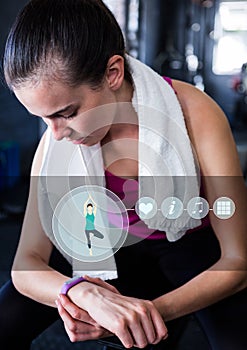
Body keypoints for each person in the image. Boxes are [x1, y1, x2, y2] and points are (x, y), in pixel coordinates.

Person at [0, 0, 247, 349]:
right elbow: (26, 264)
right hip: (104, 240)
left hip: (188, 244)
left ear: (113, 73)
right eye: (44, 118)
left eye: (67, 113)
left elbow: (238, 261)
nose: (55, 135)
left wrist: (147, 312)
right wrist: (82, 293)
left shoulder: (198, 114)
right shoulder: (55, 143)